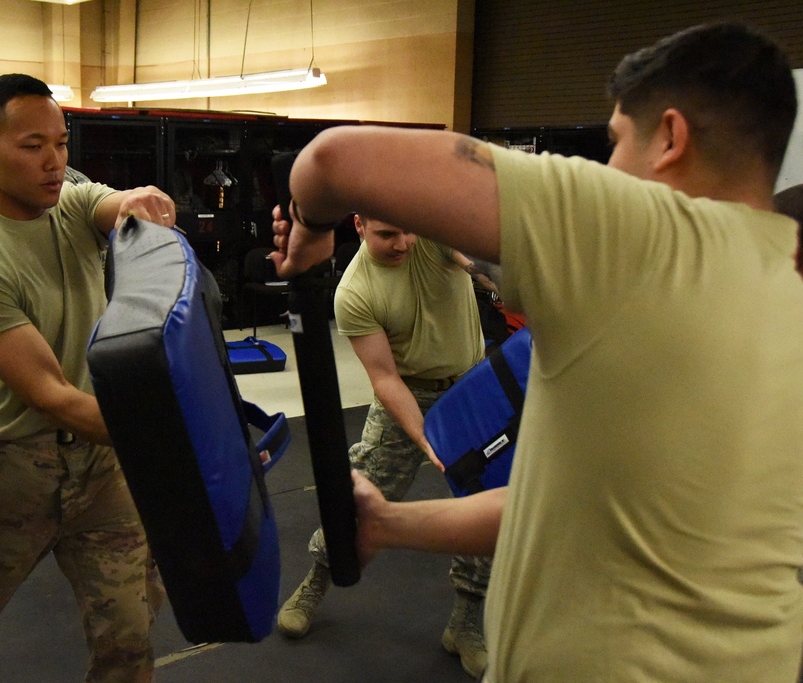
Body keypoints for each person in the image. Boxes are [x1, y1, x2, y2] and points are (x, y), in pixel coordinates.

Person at [272, 22, 803, 682]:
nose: (608, 167)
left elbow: (331, 161)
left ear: (670, 137)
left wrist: (310, 234)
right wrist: (389, 524)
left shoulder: (638, 235)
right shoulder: (784, 278)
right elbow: (575, 505)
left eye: (615, 141)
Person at [0, 74, 175, 682]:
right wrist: (181, 440)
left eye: (62, 144)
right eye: (32, 146)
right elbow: (56, 398)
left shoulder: (65, 199)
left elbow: (109, 203)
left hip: (100, 470)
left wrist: (136, 204)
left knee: (130, 633)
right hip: (7, 473)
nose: (54, 163)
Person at [275, 212, 492, 676]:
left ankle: (465, 622)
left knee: (482, 501)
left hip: (473, 389)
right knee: (359, 498)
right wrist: (426, 439)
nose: (403, 243)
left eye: (407, 229)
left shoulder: (432, 236)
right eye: (387, 234)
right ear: (359, 225)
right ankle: (317, 580)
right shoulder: (354, 292)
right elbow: (385, 378)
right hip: (407, 392)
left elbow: (473, 257)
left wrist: (493, 273)